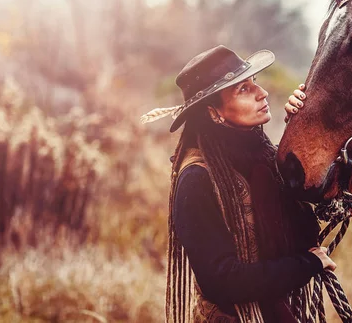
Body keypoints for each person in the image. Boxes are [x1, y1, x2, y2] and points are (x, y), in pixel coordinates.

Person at [141, 45, 335, 323]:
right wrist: (307, 264)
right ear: (213, 112)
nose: (262, 93)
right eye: (243, 89)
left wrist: (305, 124)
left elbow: (315, 204)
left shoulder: (263, 154)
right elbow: (222, 282)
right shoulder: (196, 179)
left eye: (254, 82)